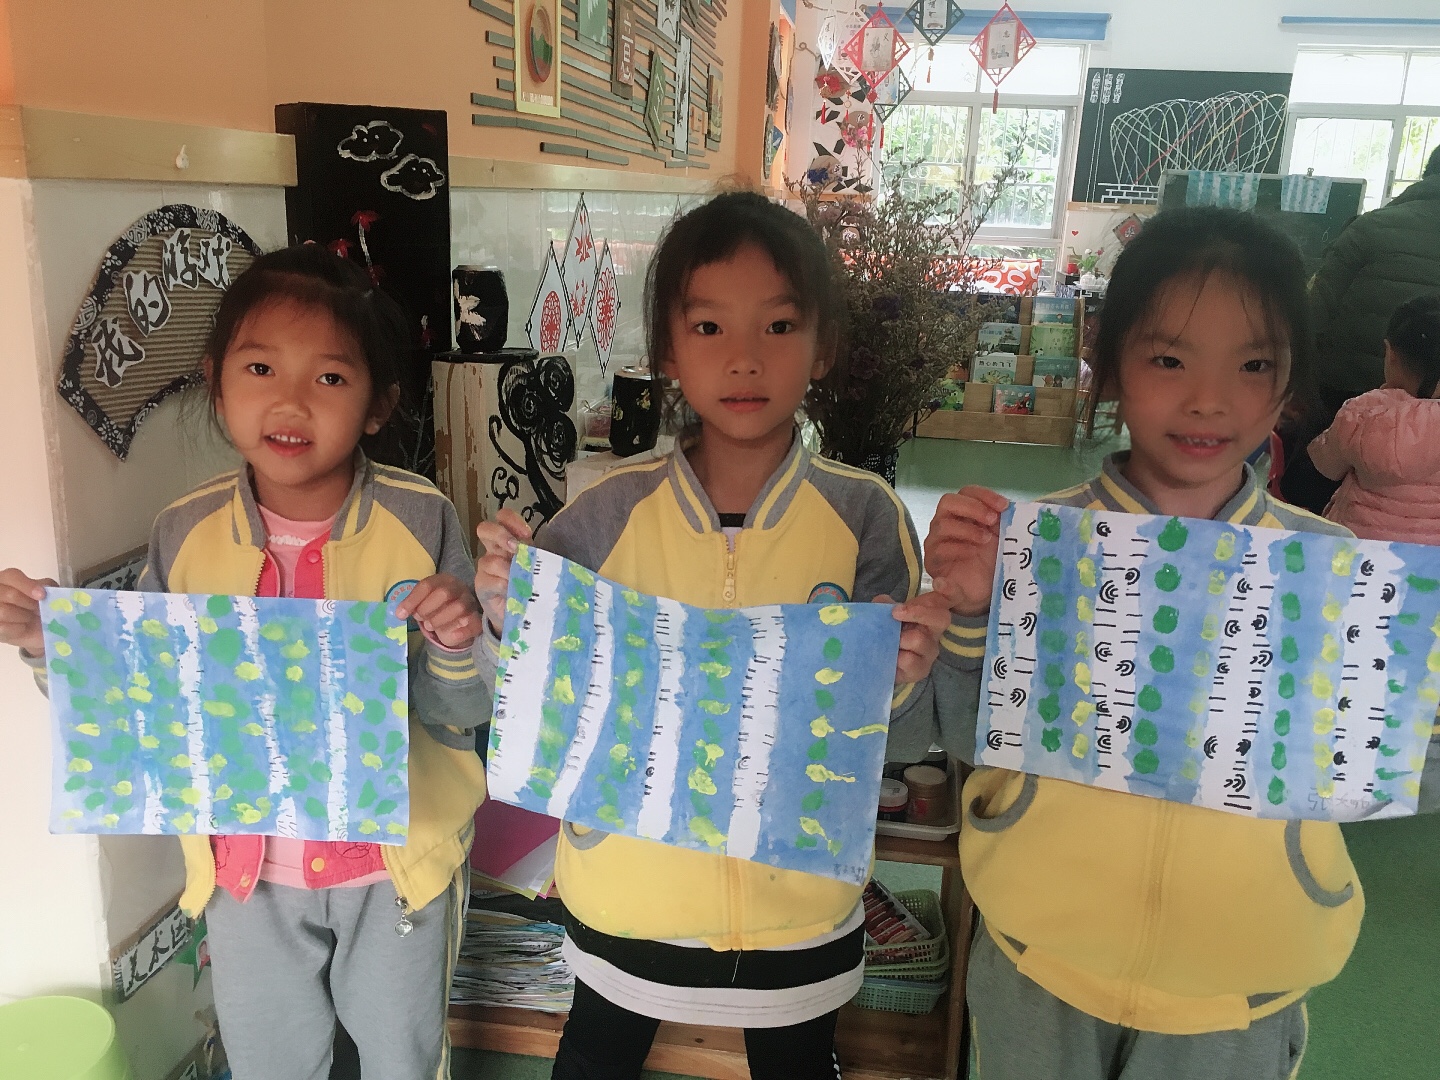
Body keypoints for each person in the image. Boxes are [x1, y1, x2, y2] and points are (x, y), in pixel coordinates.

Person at [911, 207, 1440, 1079]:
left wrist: (1406, 707)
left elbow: (1398, 774)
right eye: (1169, 359)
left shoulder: (1331, 569)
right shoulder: (1038, 548)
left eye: (1253, 364)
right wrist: (967, 616)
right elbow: (970, 734)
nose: (1209, 399)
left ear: (1288, 381)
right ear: (1109, 361)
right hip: (1042, 964)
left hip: (1237, 985)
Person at [473, 191, 953, 1080]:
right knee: (595, 1059)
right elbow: (532, 687)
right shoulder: (604, 511)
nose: (743, 357)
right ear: (666, 349)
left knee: (798, 1063)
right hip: (629, 890)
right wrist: (505, 610)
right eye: (707, 327)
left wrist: (907, 675)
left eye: (779, 326)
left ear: (822, 346)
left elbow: (894, 730)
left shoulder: (864, 514)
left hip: (798, 902)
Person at [0, 246, 489, 1080]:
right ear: (216, 383)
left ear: (379, 404)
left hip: (394, 870)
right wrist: (56, 645)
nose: (291, 401)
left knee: (401, 1059)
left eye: (330, 377)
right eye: (260, 368)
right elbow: (145, 706)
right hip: (247, 872)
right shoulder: (184, 533)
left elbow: (462, 711)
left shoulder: (421, 519)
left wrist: (452, 641)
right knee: (269, 1061)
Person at [1283, 145, 1440, 512]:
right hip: (1433, 394)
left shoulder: (1370, 227)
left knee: (1306, 493)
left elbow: (1313, 313)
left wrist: (1295, 386)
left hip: (1343, 390)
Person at [1307, 293, 1440, 544]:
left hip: (1353, 546)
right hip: (1429, 559)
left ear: (1390, 354)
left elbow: (1326, 466)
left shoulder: (1363, 412)